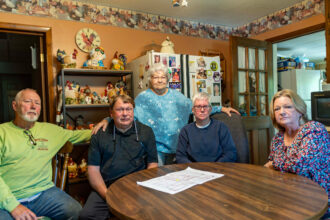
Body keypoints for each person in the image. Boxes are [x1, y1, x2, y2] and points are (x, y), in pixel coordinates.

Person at [93, 63, 239, 166]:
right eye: (156, 77)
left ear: (167, 79)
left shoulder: (177, 96)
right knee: (160, 181)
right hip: (155, 149)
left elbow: (195, 107)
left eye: (163, 77)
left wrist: (220, 109)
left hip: (179, 147)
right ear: (150, 80)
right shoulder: (143, 98)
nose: (160, 80)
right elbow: (128, 115)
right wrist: (108, 119)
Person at [0, 88, 91, 220]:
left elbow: (79, 135)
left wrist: (108, 122)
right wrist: (14, 206)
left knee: (75, 211)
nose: (33, 106)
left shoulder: (50, 130)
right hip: (8, 197)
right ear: (15, 105)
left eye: (37, 103)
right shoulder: (2, 132)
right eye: (27, 101)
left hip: (43, 193)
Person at [79, 95, 158, 220]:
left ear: (133, 111)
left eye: (129, 109)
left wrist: (144, 189)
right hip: (107, 188)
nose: (125, 113)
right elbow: (93, 171)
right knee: (86, 216)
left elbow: (152, 165)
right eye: (120, 109)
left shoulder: (146, 132)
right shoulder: (99, 134)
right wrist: (108, 196)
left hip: (137, 187)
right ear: (111, 113)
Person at [264, 89, 329, 219]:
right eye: (277, 109)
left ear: (300, 110)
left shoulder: (314, 129)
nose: (282, 112)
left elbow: (301, 165)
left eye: (288, 107)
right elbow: (270, 171)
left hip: (317, 198)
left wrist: (274, 163)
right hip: (288, 195)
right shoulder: (278, 138)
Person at [176, 92, 237, 163]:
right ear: (193, 110)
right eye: (198, 107)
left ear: (210, 109)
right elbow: (180, 156)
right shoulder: (185, 131)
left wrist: (215, 167)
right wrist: (193, 169)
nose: (202, 110)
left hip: (217, 169)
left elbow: (230, 153)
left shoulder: (221, 127)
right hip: (193, 171)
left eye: (205, 106)